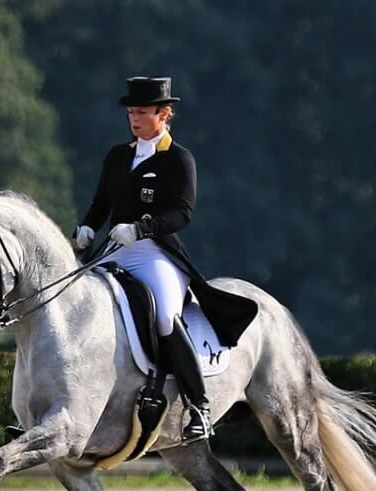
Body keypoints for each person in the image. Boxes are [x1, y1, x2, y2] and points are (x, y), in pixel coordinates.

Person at [73, 76, 256, 443]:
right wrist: (87, 227)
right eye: (131, 112)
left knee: (164, 318)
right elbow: (100, 204)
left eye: (142, 111)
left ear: (164, 113)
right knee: (77, 307)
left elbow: (183, 213)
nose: (134, 118)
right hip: (113, 251)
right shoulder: (117, 156)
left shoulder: (177, 159)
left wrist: (141, 230)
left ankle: (199, 405)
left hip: (155, 254)